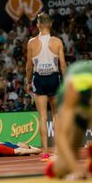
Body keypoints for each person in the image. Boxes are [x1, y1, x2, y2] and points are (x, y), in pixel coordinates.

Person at [26, 12, 66, 160]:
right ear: (50, 24)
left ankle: (45, 152)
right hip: (54, 78)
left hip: (39, 79)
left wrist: (28, 82)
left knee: (42, 116)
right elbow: (62, 64)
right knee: (56, 114)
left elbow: (29, 66)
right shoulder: (57, 41)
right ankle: (58, 149)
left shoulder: (31, 42)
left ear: (38, 24)